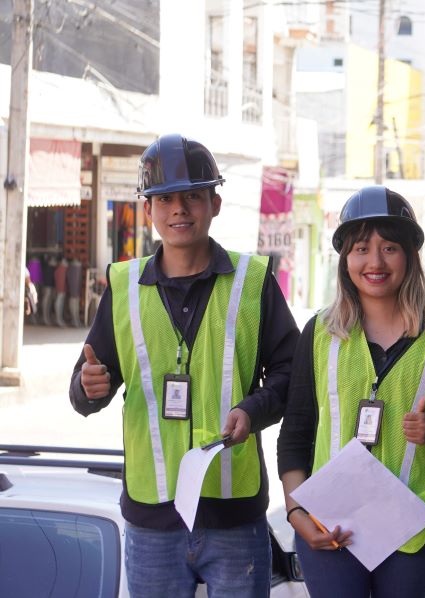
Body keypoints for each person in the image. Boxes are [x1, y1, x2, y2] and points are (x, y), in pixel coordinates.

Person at [69, 134, 299, 597]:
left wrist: (254, 411)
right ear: (148, 208)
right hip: (153, 520)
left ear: (214, 202)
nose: (179, 209)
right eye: (165, 198)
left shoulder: (252, 282)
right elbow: (85, 387)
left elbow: (292, 374)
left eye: (192, 196)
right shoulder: (123, 286)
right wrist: (87, 387)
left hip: (234, 517)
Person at [277, 185, 425, 598]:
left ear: (410, 255)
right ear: (344, 259)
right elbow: (296, 433)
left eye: (389, 248)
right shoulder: (319, 333)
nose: (374, 262)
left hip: (413, 528)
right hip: (330, 524)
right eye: (360, 249)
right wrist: (297, 514)